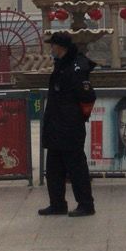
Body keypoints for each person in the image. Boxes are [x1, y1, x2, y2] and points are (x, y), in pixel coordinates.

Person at [39, 31, 96, 217]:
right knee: (54, 168)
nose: (51, 49)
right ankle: (57, 204)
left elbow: (87, 96)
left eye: (53, 45)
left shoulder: (76, 67)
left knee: (76, 167)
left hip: (70, 126)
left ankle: (86, 204)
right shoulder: (62, 64)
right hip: (56, 125)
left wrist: (77, 117)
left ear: (60, 47)